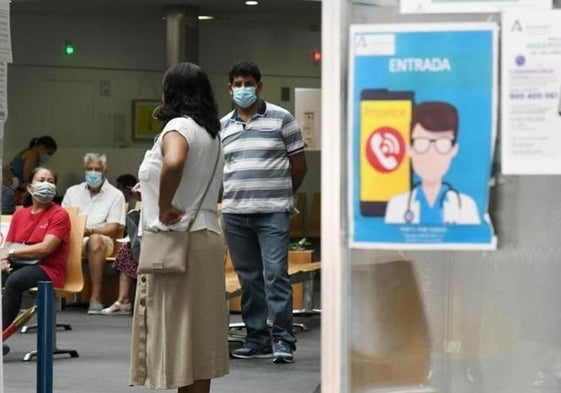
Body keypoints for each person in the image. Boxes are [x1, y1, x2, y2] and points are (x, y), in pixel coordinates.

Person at [129, 62, 228, 393]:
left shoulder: (178, 127)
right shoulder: (211, 133)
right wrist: (155, 189)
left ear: (170, 92)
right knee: (199, 338)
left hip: (177, 242)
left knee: (175, 333)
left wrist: (162, 204)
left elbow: (174, 162)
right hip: (207, 238)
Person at [220, 60, 308, 363]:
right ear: (230, 88)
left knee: (275, 275)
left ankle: (283, 340)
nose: (243, 89)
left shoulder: (282, 119)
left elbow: (299, 165)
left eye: (249, 84)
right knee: (249, 278)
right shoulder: (223, 126)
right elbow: (221, 170)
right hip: (234, 213)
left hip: (272, 212)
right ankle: (257, 339)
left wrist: (280, 195)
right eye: (238, 84)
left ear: (260, 86)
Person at [1, 167, 70, 356]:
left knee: (14, 281)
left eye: (51, 181)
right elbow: (6, 246)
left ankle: (1, 336)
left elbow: (46, 248)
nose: (47, 185)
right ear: (30, 188)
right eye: (42, 180)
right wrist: (3, 260)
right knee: (7, 275)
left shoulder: (59, 215)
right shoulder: (20, 215)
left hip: (48, 268)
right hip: (19, 263)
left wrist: (11, 254)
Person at [384, 101, 480, 225]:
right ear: (410, 149)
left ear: (454, 150)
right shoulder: (397, 206)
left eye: (443, 143)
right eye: (421, 142)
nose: (431, 153)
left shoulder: (466, 206)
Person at [61, 153, 126, 314]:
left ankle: (95, 298)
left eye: (97, 169)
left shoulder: (115, 194)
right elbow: (63, 218)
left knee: (95, 240)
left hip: (105, 240)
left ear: (105, 172)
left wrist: (89, 230)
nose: (93, 173)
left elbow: (113, 227)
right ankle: (55, 295)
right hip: (75, 238)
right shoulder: (72, 192)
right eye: (89, 169)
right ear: (84, 170)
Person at [8, 136, 58, 205]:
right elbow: (27, 177)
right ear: (42, 147)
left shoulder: (29, 152)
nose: (48, 156)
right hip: (12, 188)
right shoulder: (32, 154)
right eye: (49, 153)